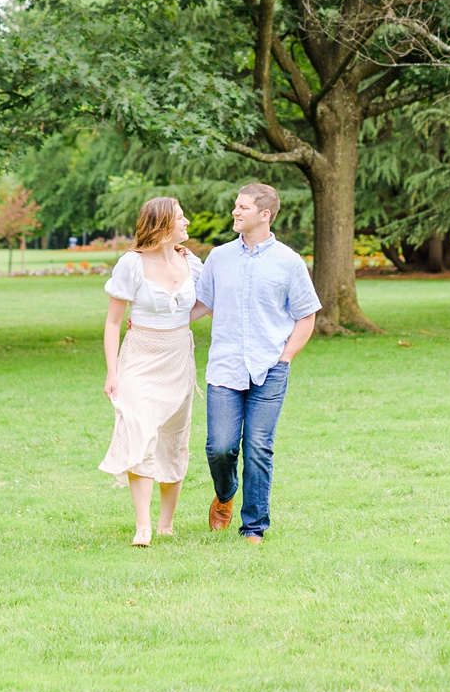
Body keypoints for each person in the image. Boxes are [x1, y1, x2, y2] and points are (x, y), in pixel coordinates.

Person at [196, 182, 320, 542]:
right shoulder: (219, 258)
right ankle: (225, 493)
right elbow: (202, 304)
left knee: (258, 447)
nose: (235, 212)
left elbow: (306, 316)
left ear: (264, 215)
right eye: (235, 206)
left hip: (270, 368)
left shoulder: (289, 262)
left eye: (243, 207)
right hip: (225, 367)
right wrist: (152, 322)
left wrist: (284, 358)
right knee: (219, 448)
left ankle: (253, 527)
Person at [99, 195, 206, 547]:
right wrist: (112, 373)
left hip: (178, 359)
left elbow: (208, 302)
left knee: (174, 439)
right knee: (140, 431)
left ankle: (166, 524)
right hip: (140, 359)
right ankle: (142, 525)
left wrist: (176, 323)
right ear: (161, 224)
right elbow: (113, 322)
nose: (187, 221)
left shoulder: (193, 263)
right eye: (180, 217)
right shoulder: (131, 264)